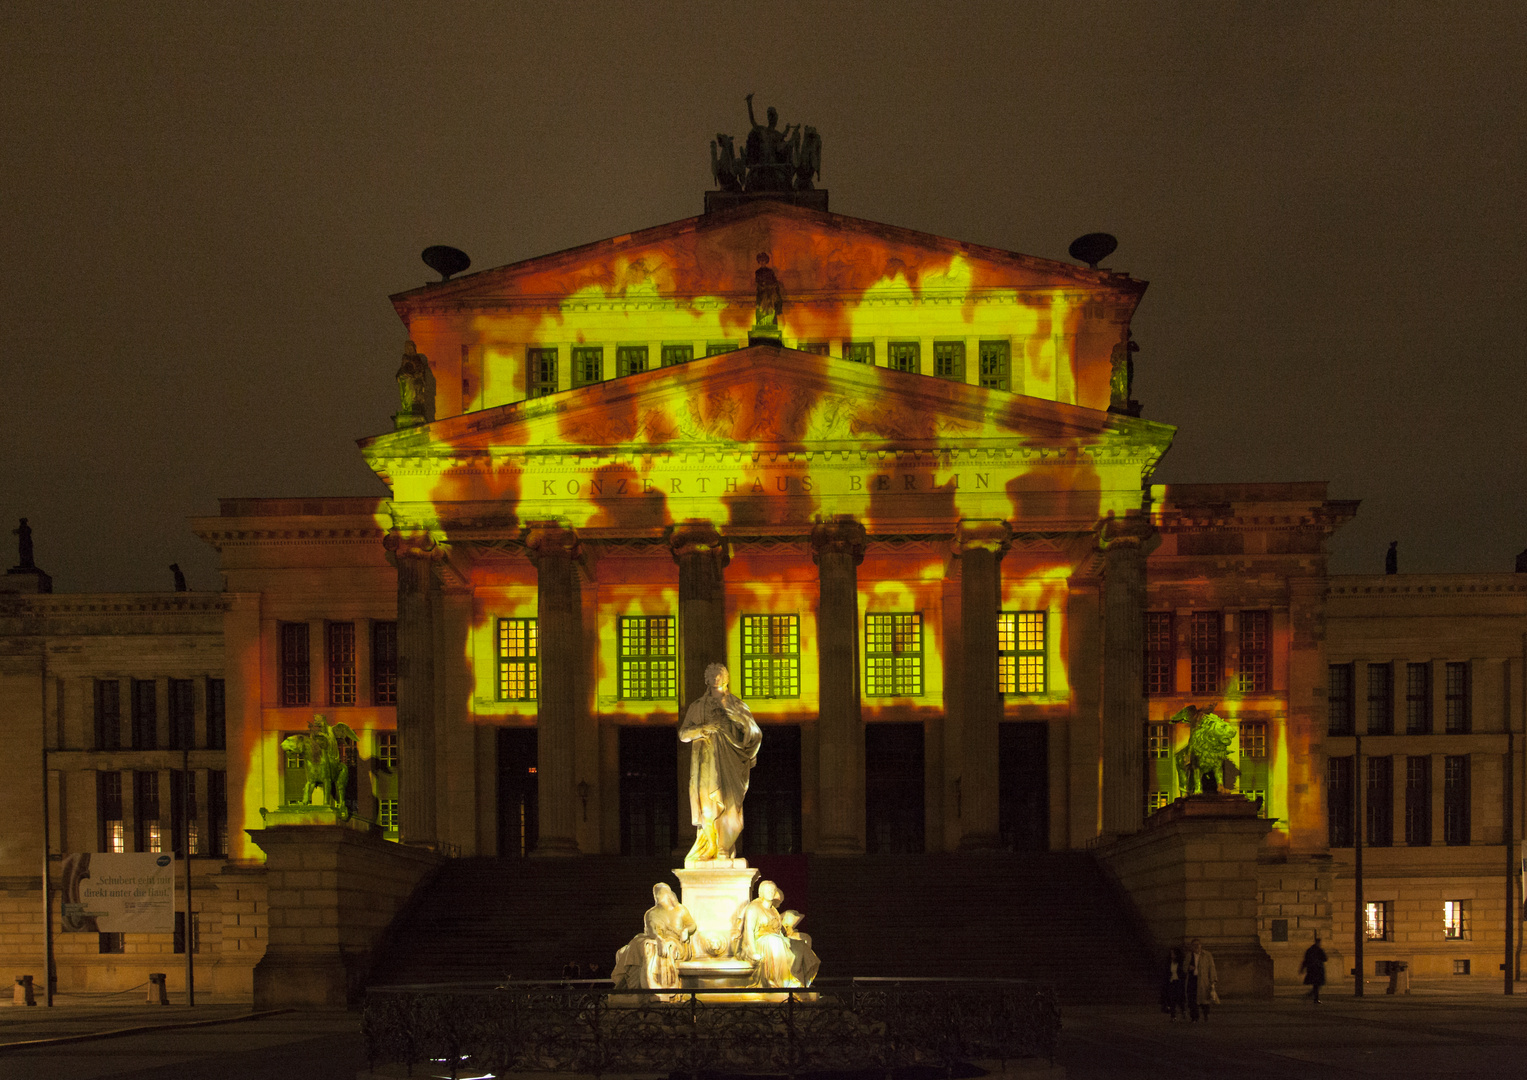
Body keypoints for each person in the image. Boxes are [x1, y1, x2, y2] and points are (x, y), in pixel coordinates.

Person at [679, 663, 761, 862]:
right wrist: (705, 728)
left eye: (719, 674)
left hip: (731, 760)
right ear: (706, 680)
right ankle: (711, 846)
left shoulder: (737, 705)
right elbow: (683, 734)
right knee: (708, 805)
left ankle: (725, 846)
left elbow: (754, 731)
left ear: (726, 678)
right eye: (712, 675)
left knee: (730, 803)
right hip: (706, 761)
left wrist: (739, 722)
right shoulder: (697, 706)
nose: (716, 678)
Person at [738, 880, 801, 988]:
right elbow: (749, 931)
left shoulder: (774, 910)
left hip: (775, 938)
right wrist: (753, 952)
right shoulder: (754, 908)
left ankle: (796, 980)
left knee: (800, 944)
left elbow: (778, 930)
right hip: (760, 941)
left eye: (773, 889)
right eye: (767, 889)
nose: (771, 892)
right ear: (761, 892)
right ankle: (777, 982)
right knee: (775, 941)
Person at [1184, 938, 1218, 1021]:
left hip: (1203, 980)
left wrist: (1213, 980)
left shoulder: (1207, 955)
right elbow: (1184, 967)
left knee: (1204, 1000)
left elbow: (1211, 967)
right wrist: (1188, 968)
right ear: (1192, 946)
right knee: (1192, 999)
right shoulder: (1189, 955)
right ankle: (1194, 1017)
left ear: (1200, 945)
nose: (1196, 946)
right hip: (1192, 979)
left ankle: (1206, 1014)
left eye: (1197, 944)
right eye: (1194, 945)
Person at [1300, 934, 1328, 1004]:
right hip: (1318, 969)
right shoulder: (1319, 950)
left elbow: (1306, 960)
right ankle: (1314, 997)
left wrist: (1302, 968)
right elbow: (1325, 958)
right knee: (1317, 984)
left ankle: (1313, 996)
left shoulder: (1310, 950)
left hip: (1312, 969)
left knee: (1316, 985)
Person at [1161, 945, 1186, 1020]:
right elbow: (1167, 972)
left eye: (1173, 953)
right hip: (1171, 982)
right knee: (1172, 999)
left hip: (1178, 982)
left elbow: (1182, 972)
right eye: (1171, 953)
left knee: (1179, 998)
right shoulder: (1169, 962)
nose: (1172, 955)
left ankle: (1183, 1010)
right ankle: (1173, 1015)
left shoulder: (1180, 962)